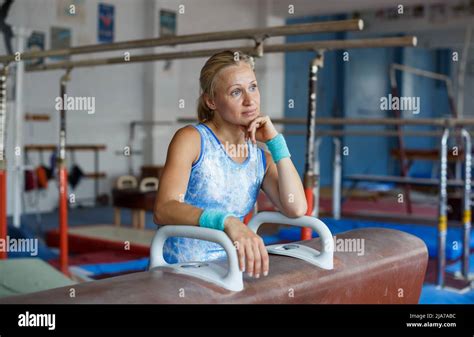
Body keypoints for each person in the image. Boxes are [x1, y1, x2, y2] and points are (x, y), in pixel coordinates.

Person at [154, 50, 307, 279]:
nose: (250, 100)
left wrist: (276, 142)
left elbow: (296, 208)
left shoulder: (260, 158)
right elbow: (164, 208)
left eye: (253, 87)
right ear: (211, 101)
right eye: (236, 92)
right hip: (180, 272)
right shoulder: (192, 139)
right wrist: (227, 222)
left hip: (231, 272)